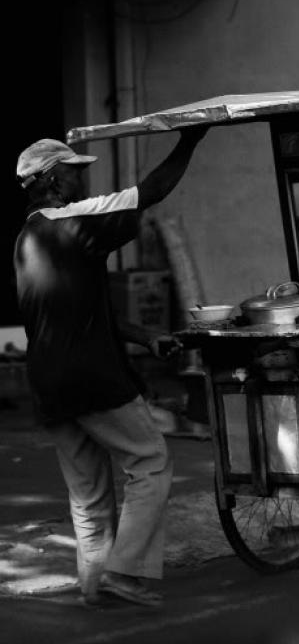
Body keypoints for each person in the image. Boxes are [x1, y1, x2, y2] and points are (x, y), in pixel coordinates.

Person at [13, 128, 207, 607]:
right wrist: (190, 141)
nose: (83, 181)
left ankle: (96, 583)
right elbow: (151, 192)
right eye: (75, 173)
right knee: (151, 461)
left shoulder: (28, 236)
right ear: (54, 179)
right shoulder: (70, 220)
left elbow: (85, 308)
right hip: (91, 376)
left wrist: (147, 337)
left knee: (89, 493)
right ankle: (127, 573)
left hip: (49, 382)